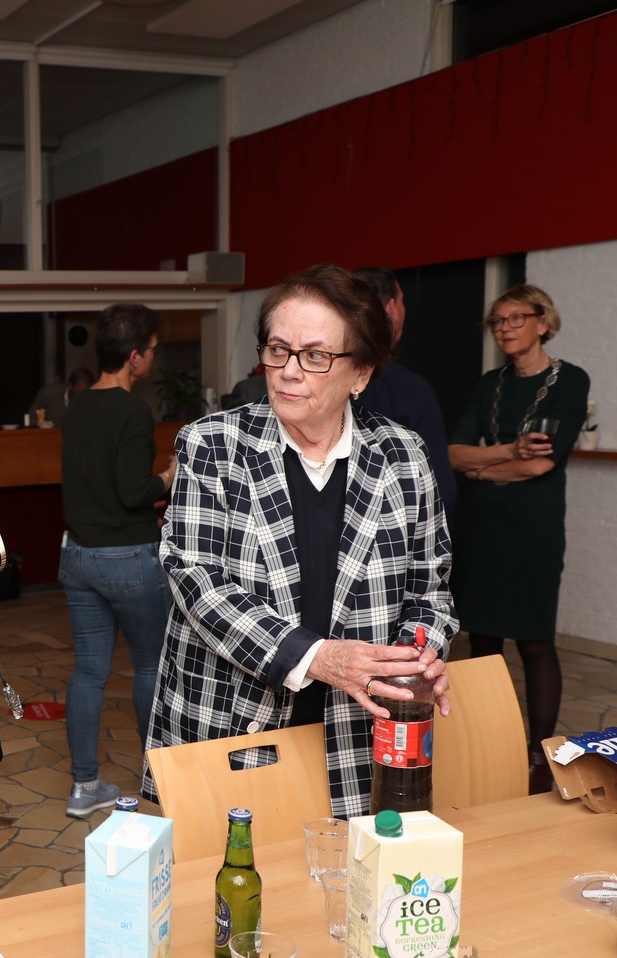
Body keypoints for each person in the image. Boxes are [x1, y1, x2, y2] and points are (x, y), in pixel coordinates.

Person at [143, 264, 456, 818]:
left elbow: (429, 589)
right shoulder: (214, 445)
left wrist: (414, 659)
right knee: (235, 864)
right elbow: (198, 583)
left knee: (351, 865)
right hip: (233, 721)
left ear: (361, 373)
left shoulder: (403, 454)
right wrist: (318, 657)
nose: (288, 371)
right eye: (278, 350)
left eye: (315, 356)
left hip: (360, 725)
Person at [446, 283, 590, 793]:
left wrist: (483, 468)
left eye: (516, 318)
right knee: (482, 641)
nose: (505, 328)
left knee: (535, 641)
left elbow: (541, 465)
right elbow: (454, 453)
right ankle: (485, 742)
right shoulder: (491, 383)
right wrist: (507, 452)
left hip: (534, 527)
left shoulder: (570, 380)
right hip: (483, 526)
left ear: (542, 322)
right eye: (497, 321)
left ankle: (541, 757)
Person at [59, 303, 174, 818]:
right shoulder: (132, 412)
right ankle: (160, 781)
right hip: (128, 558)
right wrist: (168, 477)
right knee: (150, 665)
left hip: (77, 556)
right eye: (152, 349)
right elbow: (133, 492)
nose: (153, 357)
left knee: (88, 671)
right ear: (134, 356)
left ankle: (84, 786)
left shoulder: (77, 407)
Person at [350, 267, 457, 513]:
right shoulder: (410, 390)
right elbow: (439, 489)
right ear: (391, 308)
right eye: (402, 301)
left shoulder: (316, 382)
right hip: (392, 527)